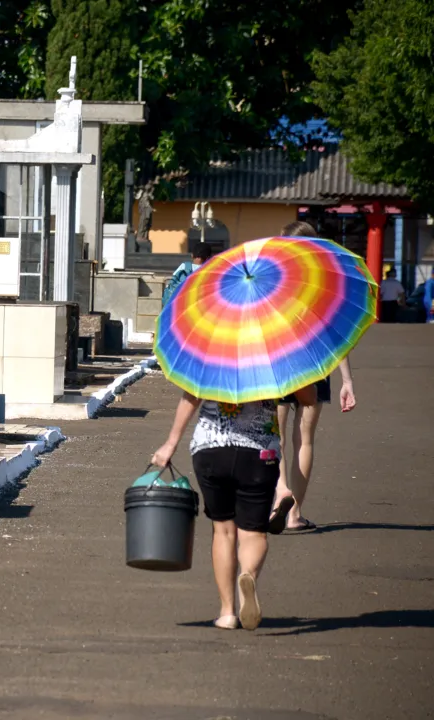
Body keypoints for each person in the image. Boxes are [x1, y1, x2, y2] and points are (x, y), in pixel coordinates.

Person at [151, 385, 317, 630]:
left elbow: (191, 397)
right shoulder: (273, 353)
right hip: (260, 454)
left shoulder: (212, 349)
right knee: (253, 532)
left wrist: (170, 444)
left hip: (211, 449)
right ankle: (247, 574)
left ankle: (227, 612)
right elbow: (308, 398)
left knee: (223, 530)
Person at [269, 221, 357, 534]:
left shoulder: (272, 281)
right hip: (315, 366)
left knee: (274, 438)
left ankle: (281, 492)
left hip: (279, 364)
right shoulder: (324, 283)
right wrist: (347, 381)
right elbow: (337, 336)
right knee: (304, 439)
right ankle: (295, 517)